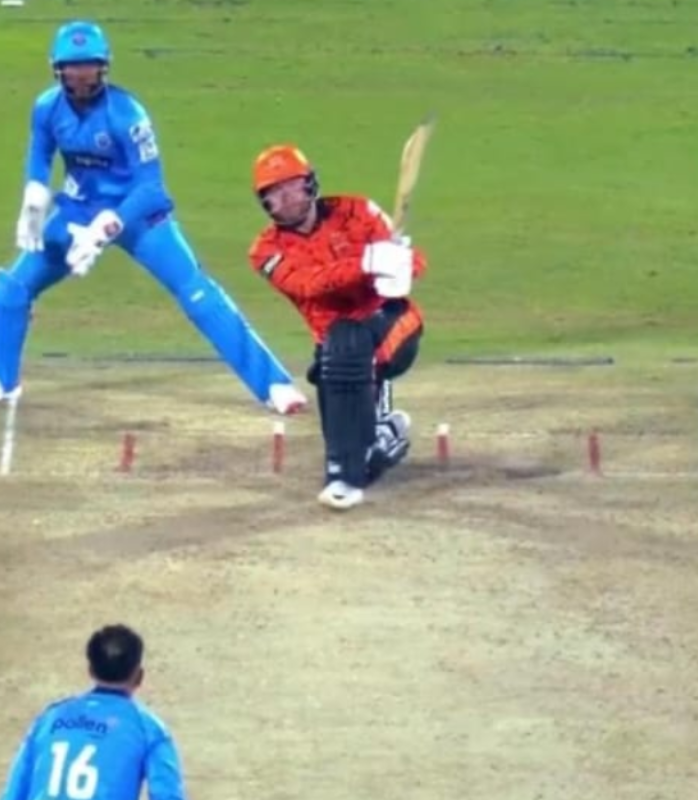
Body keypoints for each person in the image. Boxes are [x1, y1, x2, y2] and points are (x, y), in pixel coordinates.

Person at [0, 20, 306, 415]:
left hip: (140, 216)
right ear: (57, 69)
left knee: (197, 292)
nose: (81, 78)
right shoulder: (47, 107)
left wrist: (106, 227)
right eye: (73, 69)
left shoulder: (127, 115)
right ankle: (5, 382)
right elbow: (40, 153)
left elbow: (151, 188)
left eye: (89, 68)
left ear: (103, 67)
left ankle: (274, 384)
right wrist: (35, 195)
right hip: (77, 212)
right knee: (11, 289)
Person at [248, 144, 426, 510]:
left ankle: (343, 477)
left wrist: (401, 267)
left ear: (310, 183)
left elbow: (415, 262)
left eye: (291, 185)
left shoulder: (358, 211)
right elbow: (307, 284)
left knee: (349, 342)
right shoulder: (266, 251)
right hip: (334, 347)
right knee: (355, 440)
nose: (286, 197)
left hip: (394, 323)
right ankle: (385, 436)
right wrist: (366, 263)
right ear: (265, 203)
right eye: (274, 192)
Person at [0, 624, 186, 800]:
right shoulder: (149, 729)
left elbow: (13, 794)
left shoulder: (49, 719)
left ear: (90, 670)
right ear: (139, 676)